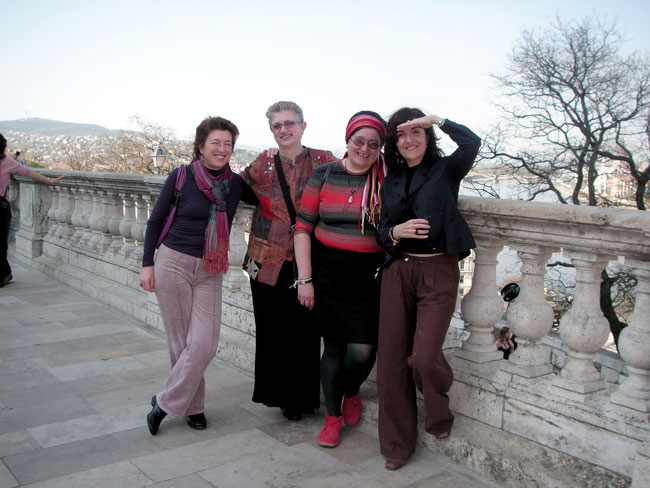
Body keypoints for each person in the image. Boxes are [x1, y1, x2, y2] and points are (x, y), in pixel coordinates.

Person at [375, 108, 481, 470]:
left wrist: (440, 119)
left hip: (438, 270)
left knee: (423, 357)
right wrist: (394, 233)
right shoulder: (390, 181)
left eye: (417, 131)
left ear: (427, 136)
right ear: (395, 142)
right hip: (398, 271)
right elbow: (382, 228)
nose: (409, 139)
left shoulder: (446, 170)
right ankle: (396, 444)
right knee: (391, 361)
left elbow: (471, 143)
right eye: (402, 134)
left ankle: (438, 412)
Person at [140, 116, 256, 435]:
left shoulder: (235, 185)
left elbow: (268, 197)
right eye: (216, 142)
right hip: (173, 263)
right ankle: (194, 406)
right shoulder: (181, 177)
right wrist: (147, 264)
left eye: (228, 143)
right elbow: (155, 222)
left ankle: (164, 403)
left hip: (210, 267)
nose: (222, 149)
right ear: (201, 146)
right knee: (181, 343)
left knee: (204, 343)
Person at [294, 111, 387, 447]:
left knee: (363, 351)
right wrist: (305, 280)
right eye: (358, 141)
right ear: (347, 141)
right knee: (332, 348)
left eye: (373, 144)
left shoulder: (386, 181)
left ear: (380, 149)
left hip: (368, 279)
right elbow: (303, 227)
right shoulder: (323, 175)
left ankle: (351, 389)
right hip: (326, 274)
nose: (365, 148)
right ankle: (332, 418)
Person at [241, 101, 337, 421]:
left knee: (306, 331)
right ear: (271, 130)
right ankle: (279, 396)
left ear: (303, 126)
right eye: (277, 126)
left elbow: (356, 178)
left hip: (308, 260)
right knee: (271, 330)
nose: (284, 130)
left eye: (289, 123)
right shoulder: (262, 163)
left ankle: (303, 397)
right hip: (265, 259)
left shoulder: (324, 161)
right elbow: (234, 188)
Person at [0, 133, 63, 287]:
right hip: (1, 205)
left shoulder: (8, 162)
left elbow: (28, 172)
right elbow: (28, 172)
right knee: (1, 242)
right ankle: (4, 273)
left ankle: (4, 274)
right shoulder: (7, 162)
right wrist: (49, 180)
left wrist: (49, 180)